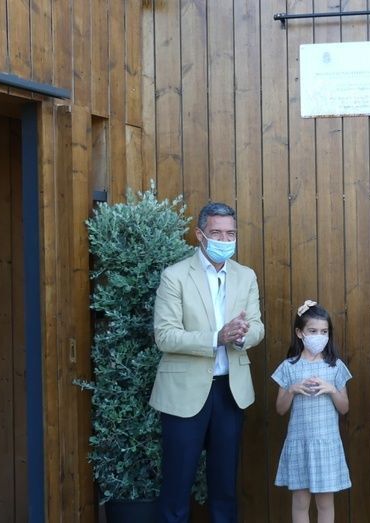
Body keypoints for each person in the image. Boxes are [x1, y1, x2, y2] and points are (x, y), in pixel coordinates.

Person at [150, 202, 264, 523]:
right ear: (200, 235)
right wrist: (217, 337)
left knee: (225, 487)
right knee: (177, 487)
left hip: (230, 392)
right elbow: (165, 336)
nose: (224, 240)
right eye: (217, 233)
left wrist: (241, 337)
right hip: (183, 393)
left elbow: (257, 326)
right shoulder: (174, 276)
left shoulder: (246, 276)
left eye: (230, 234)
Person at [272, 300, 352, 523]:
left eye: (324, 332)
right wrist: (292, 389)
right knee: (300, 502)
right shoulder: (289, 366)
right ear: (300, 333)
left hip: (326, 444)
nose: (319, 336)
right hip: (299, 443)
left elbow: (344, 407)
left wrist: (332, 390)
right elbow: (280, 409)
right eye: (313, 331)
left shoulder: (335, 366)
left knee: (325, 503)